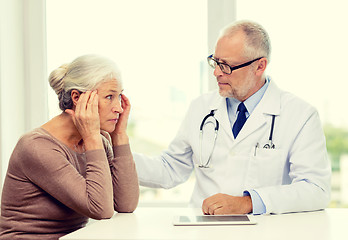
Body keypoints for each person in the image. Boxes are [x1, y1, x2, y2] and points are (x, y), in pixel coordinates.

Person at [133, 20, 331, 215]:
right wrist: (113, 156)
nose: (217, 73)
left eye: (227, 65)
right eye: (216, 62)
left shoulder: (300, 115)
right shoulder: (201, 107)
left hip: (264, 231)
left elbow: (315, 189)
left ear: (260, 66)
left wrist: (248, 203)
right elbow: (170, 169)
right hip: (204, 229)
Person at [0, 55, 139, 239]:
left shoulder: (98, 141)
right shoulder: (36, 146)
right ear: (76, 97)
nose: (119, 108)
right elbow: (101, 210)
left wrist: (119, 136)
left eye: (119, 96)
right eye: (109, 97)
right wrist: (91, 138)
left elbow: (126, 204)